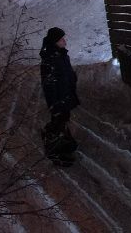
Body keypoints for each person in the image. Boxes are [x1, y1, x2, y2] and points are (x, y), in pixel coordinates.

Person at [39, 28, 80, 166]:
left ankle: (64, 143)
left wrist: (72, 77)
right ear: (55, 41)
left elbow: (65, 72)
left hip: (65, 95)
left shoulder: (61, 54)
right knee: (58, 121)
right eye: (62, 39)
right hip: (58, 99)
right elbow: (48, 85)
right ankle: (54, 151)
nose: (65, 41)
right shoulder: (49, 59)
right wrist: (53, 104)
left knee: (63, 119)